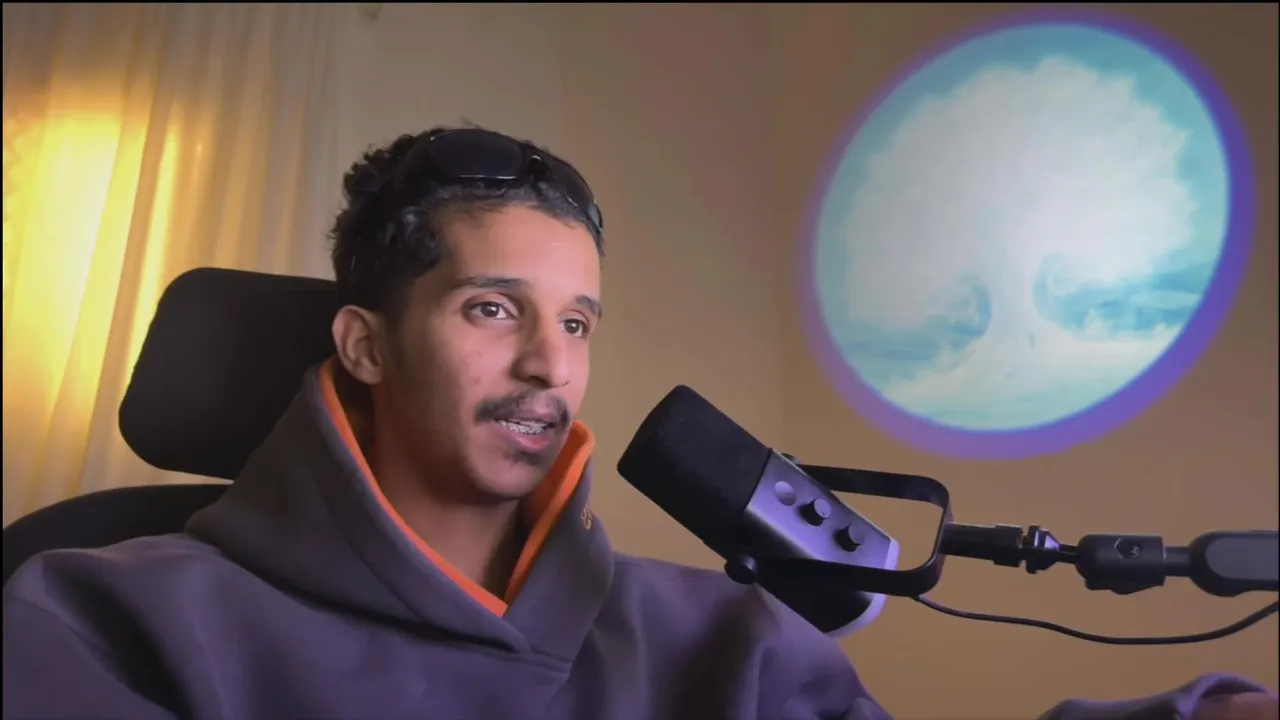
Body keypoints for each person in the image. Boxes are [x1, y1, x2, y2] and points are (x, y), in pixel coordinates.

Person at [2, 126, 1275, 720]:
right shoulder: (97, 613)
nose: (548, 364)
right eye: (493, 309)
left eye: (577, 322)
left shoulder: (723, 638)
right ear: (366, 344)